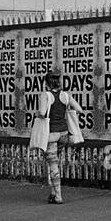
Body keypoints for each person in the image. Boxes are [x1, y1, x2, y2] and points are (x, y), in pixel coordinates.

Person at [37, 69, 84, 204]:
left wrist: (37, 114)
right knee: (55, 163)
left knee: (52, 164)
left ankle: (58, 196)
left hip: (51, 134)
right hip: (64, 133)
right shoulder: (65, 95)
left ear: (46, 83)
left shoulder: (45, 95)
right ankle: (52, 193)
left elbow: (42, 112)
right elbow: (80, 110)